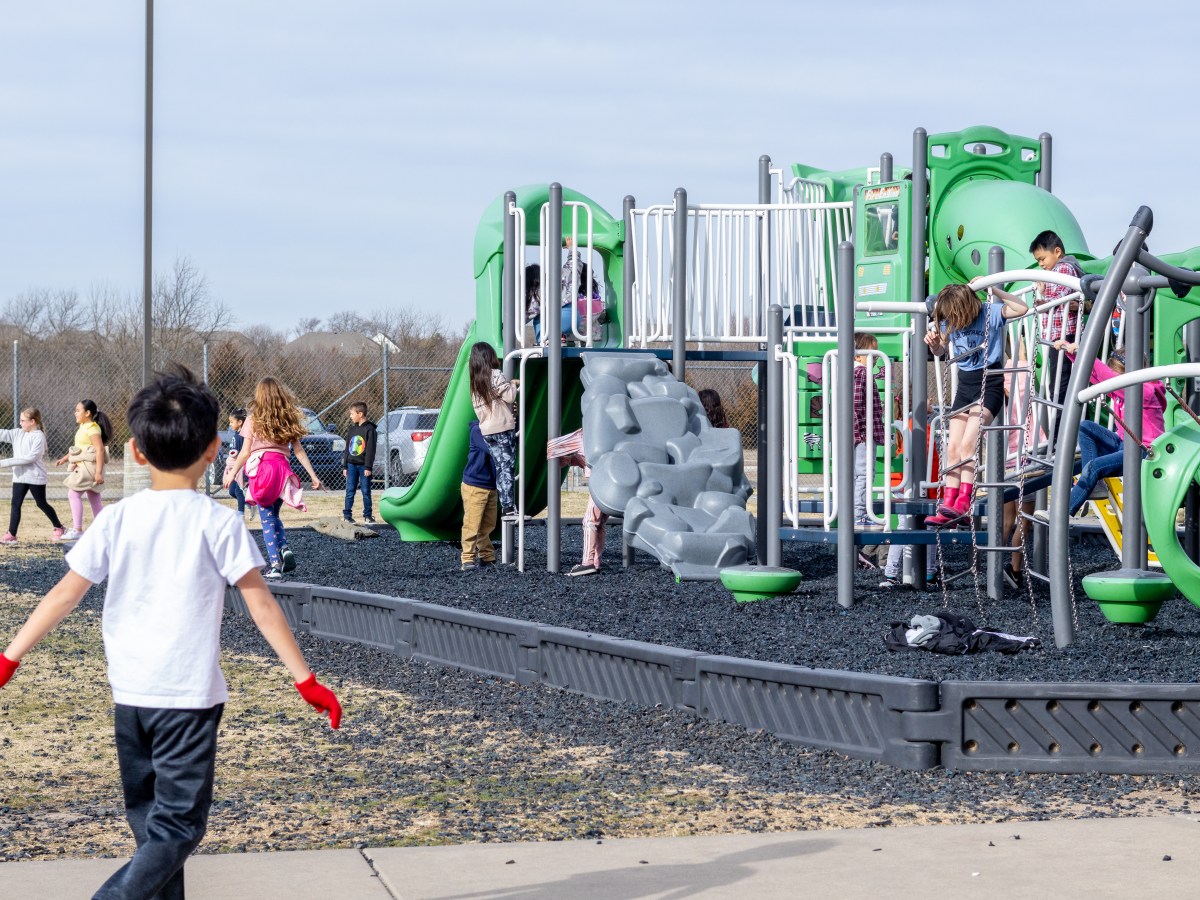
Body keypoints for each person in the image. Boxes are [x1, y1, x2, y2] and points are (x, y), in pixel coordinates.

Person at [0, 366, 341, 899]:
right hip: (188, 700)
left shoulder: (116, 518)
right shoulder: (220, 522)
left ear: (136, 451)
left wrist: (9, 659)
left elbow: (65, 594)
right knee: (178, 828)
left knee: (151, 829)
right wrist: (305, 680)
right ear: (213, 448)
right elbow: (261, 606)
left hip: (130, 697)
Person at [924, 282, 1028, 527]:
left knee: (968, 444)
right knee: (952, 448)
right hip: (966, 386)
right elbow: (940, 350)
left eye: (952, 315)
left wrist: (992, 287)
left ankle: (964, 500)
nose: (950, 321)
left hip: (989, 383)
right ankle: (949, 502)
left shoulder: (988, 312)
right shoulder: (950, 321)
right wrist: (934, 344)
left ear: (964, 308)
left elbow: (1021, 308)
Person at [1034, 343, 1165, 520]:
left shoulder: (1143, 391)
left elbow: (1105, 376)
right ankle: (1096, 485)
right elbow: (1095, 376)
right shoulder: (1123, 391)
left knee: (1094, 467)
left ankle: (1061, 514)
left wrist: (1084, 351)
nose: (1111, 382)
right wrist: (1072, 354)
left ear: (1127, 374)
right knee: (1086, 427)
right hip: (1123, 444)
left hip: (1144, 451)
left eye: (1116, 376)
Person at [988, 230, 1085, 444]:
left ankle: (1061, 441)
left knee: (1062, 388)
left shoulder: (1064, 268)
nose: (1041, 264)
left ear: (1057, 252)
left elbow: (1063, 297)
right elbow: (1059, 301)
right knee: (1057, 387)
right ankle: (1060, 439)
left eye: (1042, 259)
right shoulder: (1055, 271)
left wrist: (1043, 293)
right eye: (1038, 260)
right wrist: (1043, 299)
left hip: (1066, 337)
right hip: (1058, 337)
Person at [223, 377, 322, 579]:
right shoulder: (286, 418)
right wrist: (313, 476)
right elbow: (299, 450)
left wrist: (232, 473)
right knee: (274, 514)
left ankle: (275, 565)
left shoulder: (253, 420)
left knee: (266, 519)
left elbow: (244, 452)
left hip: (264, 470)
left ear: (259, 396)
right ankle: (284, 548)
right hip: (282, 470)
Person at [468, 341, 520, 518]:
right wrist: (513, 383)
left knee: (500, 467)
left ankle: (506, 505)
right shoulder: (496, 375)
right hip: (503, 428)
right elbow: (510, 395)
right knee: (508, 467)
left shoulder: (475, 383)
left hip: (487, 431)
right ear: (489, 357)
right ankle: (508, 507)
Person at [0, 407, 65, 543]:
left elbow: (30, 458)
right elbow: (2, 433)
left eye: (23, 420)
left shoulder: (39, 437)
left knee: (41, 503)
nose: (20, 423)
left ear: (32, 421)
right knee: (15, 503)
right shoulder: (18, 433)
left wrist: (4, 462)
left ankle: (59, 528)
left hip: (35, 477)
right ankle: (11, 534)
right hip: (19, 477)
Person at [54, 399, 112, 540]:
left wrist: (98, 472)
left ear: (87, 413)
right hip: (85, 466)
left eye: (78, 410)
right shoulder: (83, 427)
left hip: (89, 467)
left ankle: (78, 529)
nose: (75, 412)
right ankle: (103, 530)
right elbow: (79, 448)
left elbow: (99, 450)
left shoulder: (92, 428)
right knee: (94, 497)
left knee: (73, 494)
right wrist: (65, 458)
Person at [852, 333, 886, 531]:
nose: (875, 358)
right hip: (864, 433)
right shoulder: (862, 373)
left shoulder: (853, 372)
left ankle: (858, 512)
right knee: (865, 474)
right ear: (858, 356)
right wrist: (861, 433)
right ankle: (859, 514)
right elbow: (856, 405)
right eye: (871, 353)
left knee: (859, 474)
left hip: (861, 432)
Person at [460, 419, 498, 572]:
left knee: (488, 524)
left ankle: (486, 555)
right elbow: (492, 448)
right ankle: (468, 558)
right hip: (475, 485)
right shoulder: (477, 430)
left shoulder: (498, 431)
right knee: (472, 524)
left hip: (491, 485)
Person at [342, 401, 377, 524]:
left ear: (360, 414)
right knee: (350, 491)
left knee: (366, 491)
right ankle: (347, 516)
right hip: (351, 465)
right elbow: (348, 448)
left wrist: (368, 466)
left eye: (352, 414)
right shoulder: (352, 429)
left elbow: (371, 450)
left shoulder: (370, 429)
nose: (350, 416)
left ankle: (368, 516)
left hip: (363, 467)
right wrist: (345, 465)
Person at [224, 407, 251, 520]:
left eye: (232, 422)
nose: (230, 424)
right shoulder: (236, 435)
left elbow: (244, 453)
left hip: (241, 469)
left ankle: (240, 514)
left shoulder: (244, 437)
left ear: (240, 422)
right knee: (232, 491)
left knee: (239, 491)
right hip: (234, 468)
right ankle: (249, 504)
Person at [525, 263, 543, 343]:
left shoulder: (537, 296)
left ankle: (541, 339)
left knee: (539, 317)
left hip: (546, 336)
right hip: (565, 329)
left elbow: (527, 315)